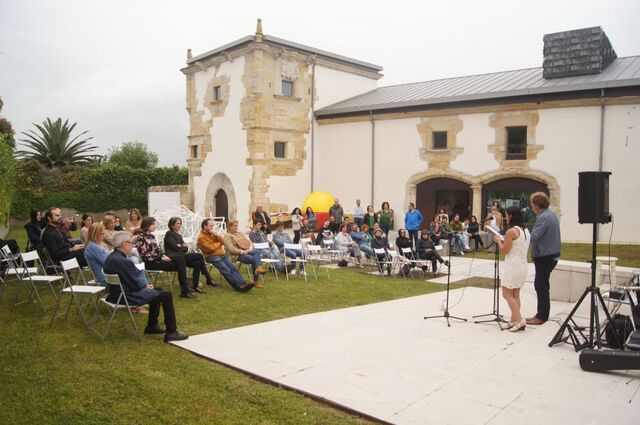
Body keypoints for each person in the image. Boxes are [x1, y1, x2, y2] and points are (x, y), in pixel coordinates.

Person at [103, 231, 188, 343]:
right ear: (124, 244)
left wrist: (145, 286)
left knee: (158, 291)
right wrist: (145, 286)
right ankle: (171, 333)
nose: (133, 245)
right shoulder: (123, 261)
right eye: (131, 242)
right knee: (166, 296)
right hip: (127, 296)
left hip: (116, 295)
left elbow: (130, 280)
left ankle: (152, 326)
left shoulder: (111, 258)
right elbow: (135, 283)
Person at [135, 216, 197, 299]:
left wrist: (162, 255)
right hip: (150, 263)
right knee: (180, 262)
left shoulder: (152, 237)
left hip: (158, 260)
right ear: (147, 225)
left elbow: (158, 250)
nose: (155, 226)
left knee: (179, 263)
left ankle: (185, 290)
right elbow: (145, 255)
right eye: (153, 224)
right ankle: (185, 290)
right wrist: (160, 258)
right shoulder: (141, 238)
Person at [493, 205, 530, 332]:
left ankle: (519, 320)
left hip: (512, 266)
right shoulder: (525, 230)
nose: (505, 217)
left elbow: (505, 250)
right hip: (522, 265)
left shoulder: (511, 232)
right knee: (515, 294)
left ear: (511, 216)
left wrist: (498, 240)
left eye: (507, 215)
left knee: (507, 294)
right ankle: (514, 320)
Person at [526, 192, 561, 326]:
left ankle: (542, 316)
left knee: (541, 286)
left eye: (532, 204)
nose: (531, 206)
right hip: (548, 254)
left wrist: (520, 236)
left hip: (545, 256)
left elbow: (534, 236)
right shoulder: (548, 215)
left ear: (536, 205)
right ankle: (541, 314)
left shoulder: (544, 217)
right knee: (541, 285)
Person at [197, 218, 254, 292]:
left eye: (213, 226)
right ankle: (238, 287)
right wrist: (218, 244)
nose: (212, 227)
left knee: (232, 267)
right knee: (226, 269)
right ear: (205, 226)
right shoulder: (201, 237)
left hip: (221, 255)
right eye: (211, 226)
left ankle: (242, 282)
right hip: (211, 256)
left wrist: (216, 235)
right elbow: (210, 248)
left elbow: (222, 241)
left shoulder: (212, 233)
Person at [164, 216, 218, 291]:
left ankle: (195, 286)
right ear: (172, 225)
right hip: (173, 257)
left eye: (180, 223)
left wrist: (181, 246)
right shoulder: (169, 234)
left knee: (197, 263)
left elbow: (185, 249)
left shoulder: (179, 235)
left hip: (181, 256)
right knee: (199, 255)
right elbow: (174, 247)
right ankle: (208, 277)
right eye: (177, 223)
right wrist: (181, 246)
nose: (179, 225)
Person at [224, 220, 267, 287]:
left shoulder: (240, 233)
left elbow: (248, 240)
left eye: (237, 225)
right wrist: (242, 252)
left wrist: (250, 247)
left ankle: (258, 268)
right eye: (234, 226)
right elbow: (230, 248)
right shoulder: (227, 236)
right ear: (229, 227)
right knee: (253, 259)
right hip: (236, 255)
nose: (236, 227)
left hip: (246, 250)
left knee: (257, 251)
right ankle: (257, 280)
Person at [84, 223, 110, 287]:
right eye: (102, 234)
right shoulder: (93, 246)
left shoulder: (98, 244)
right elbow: (107, 262)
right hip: (104, 278)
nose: (104, 236)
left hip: (108, 274)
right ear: (95, 234)